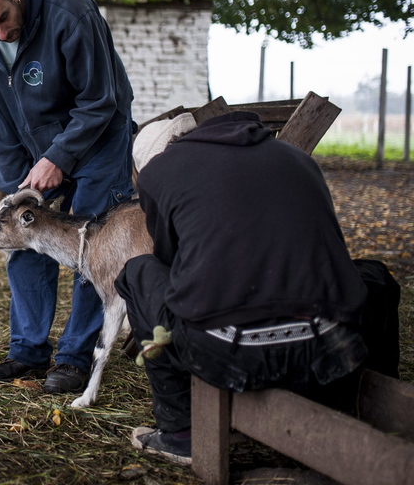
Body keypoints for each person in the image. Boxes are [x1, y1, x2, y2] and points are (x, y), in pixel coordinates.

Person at [117, 111, 400, 465]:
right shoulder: (294, 157)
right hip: (329, 345)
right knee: (375, 274)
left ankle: (180, 433)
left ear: (151, 160)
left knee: (138, 272)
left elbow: (171, 266)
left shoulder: (159, 173)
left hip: (230, 354)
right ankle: (375, 402)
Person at [0, 0, 135, 394]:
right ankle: (28, 351)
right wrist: (12, 177)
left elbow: (100, 100)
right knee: (23, 234)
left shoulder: (69, 12)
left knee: (92, 245)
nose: (0, 33)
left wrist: (58, 156)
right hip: (31, 146)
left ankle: (76, 358)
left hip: (98, 140)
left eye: (3, 19)